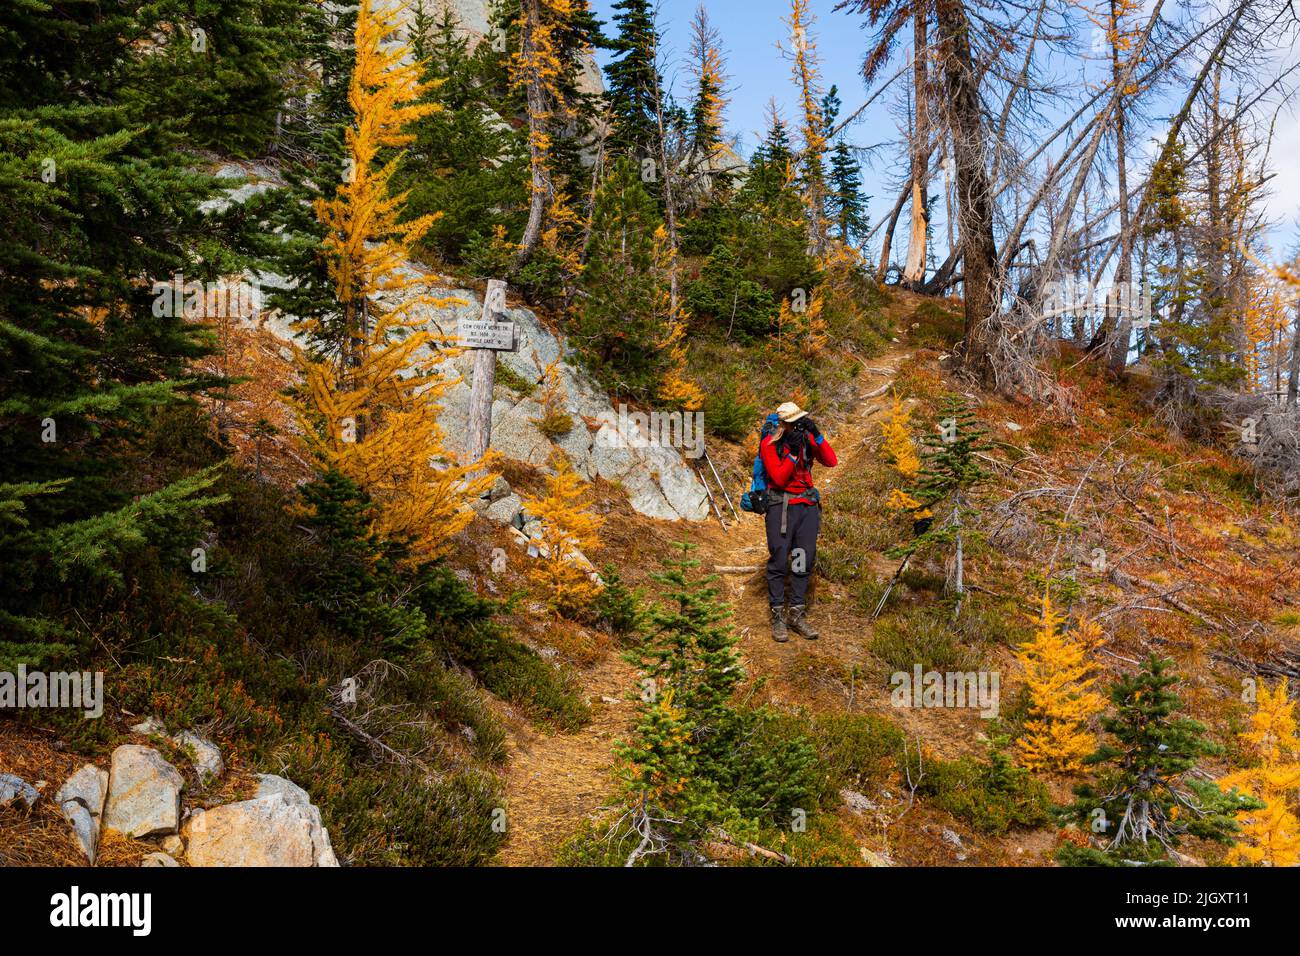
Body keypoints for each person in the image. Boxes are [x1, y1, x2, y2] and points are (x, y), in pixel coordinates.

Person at [759, 401, 837, 642]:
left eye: (800, 422)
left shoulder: (806, 439)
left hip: (806, 508)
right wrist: (792, 454)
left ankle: (796, 613)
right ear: (782, 424)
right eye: (793, 423)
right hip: (780, 507)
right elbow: (780, 480)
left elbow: (831, 461)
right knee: (780, 560)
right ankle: (778, 616)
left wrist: (816, 434)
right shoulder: (769, 444)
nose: (797, 427)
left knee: (803, 559)